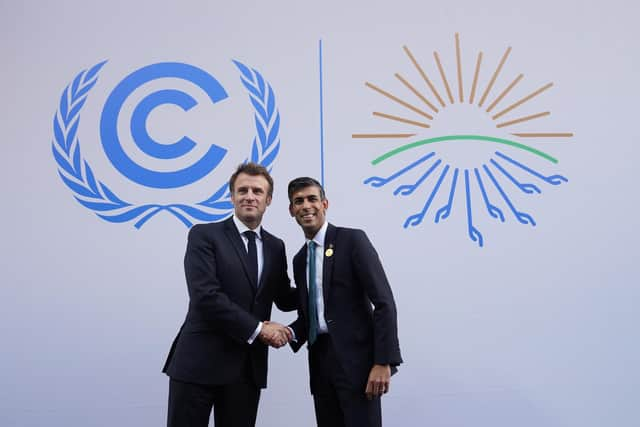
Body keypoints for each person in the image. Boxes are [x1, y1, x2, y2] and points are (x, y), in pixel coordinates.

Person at [162, 163, 297, 427]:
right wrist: (260, 329)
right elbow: (206, 296)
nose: (250, 196)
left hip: (246, 371)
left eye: (257, 191)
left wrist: (323, 284)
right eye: (242, 190)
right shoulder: (204, 235)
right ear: (232, 196)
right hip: (198, 364)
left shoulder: (275, 246)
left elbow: (283, 297)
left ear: (268, 200)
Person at [286, 177, 402, 427]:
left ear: (325, 204)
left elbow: (384, 302)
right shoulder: (299, 260)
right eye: (298, 201)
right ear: (291, 210)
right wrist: (286, 333)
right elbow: (311, 317)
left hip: (359, 367)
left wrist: (383, 361)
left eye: (312, 199)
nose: (306, 206)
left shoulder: (352, 241)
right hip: (321, 368)